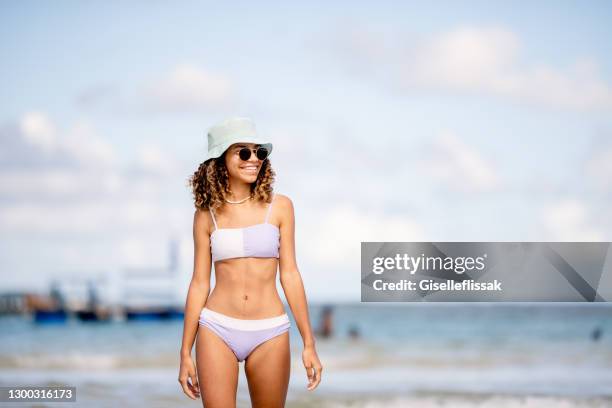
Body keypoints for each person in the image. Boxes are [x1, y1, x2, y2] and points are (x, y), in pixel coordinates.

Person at [179, 117, 323, 407]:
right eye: (243, 152)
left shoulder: (281, 207)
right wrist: (185, 352)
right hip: (216, 328)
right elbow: (199, 283)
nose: (253, 159)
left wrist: (309, 342)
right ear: (221, 160)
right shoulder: (206, 216)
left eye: (259, 152)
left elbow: (291, 275)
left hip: (269, 330)